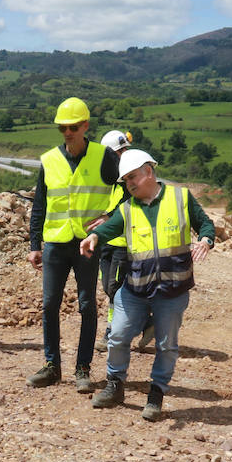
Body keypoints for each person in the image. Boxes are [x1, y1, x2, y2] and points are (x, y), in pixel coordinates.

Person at [80, 150, 215, 420]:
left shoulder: (181, 197)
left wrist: (205, 240)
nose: (129, 184)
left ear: (149, 172)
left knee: (166, 346)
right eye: (126, 180)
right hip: (135, 289)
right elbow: (110, 228)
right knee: (117, 336)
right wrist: (94, 236)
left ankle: (156, 394)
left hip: (172, 291)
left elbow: (205, 224)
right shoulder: (128, 208)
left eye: (133, 177)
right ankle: (115, 385)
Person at [27, 98, 120, 391]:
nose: (67, 132)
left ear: (85, 126)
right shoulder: (49, 160)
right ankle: (52, 366)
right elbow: (40, 204)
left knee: (87, 305)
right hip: (55, 243)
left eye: (73, 127)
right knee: (50, 304)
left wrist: (109, 217)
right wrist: (34, 243)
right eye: (63, 127)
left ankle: (83, 368)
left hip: (87, 244)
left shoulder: (104, 156)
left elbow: (126, 191)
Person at [95, 130, 132, 352]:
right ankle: (146, 321)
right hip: (105, 242)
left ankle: (112, 330)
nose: (122, 155)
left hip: (122, 244)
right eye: (119, 152)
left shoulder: (130, 179)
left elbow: (124, 208)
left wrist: (108, 218)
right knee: (107, 287)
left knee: (114, 287)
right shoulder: (108, 180)